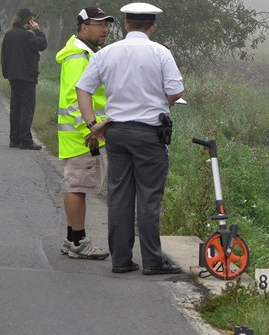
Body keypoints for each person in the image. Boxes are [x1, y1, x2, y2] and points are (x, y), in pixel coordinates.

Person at [76, 2, 184, 275]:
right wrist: (159, 105)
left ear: (125, 25)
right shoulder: (160, 53)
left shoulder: (107, 53)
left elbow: (83, 88)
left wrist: (93, 124)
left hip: (117, 133)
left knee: (120, 195)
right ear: (152, 27)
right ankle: (152, 261)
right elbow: (175, 91)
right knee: (148, 198)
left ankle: (121, 260)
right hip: (149, 134)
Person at [55, 7, 116, 260]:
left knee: (76, 186)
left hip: (80, 135)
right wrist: (90, 129)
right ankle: (79, 241)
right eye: (98, 24)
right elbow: (74, 98)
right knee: (77, 187)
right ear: (83, 27)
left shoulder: (84, 53)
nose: (105, 29)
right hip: (84, 136)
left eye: (106, 25)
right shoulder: (79, 56)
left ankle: (72, 239)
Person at [1, 8, 47, 150]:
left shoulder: (9, 35)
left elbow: (4, 56)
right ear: (28, 20)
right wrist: (38, 30)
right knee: (27, 108)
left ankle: (14, 139)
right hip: (27, 77)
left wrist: (6, 73)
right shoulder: (28, 36)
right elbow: (42, 45)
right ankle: (25, 140)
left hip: (13, 77)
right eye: (31, 20)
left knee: (15, 108)